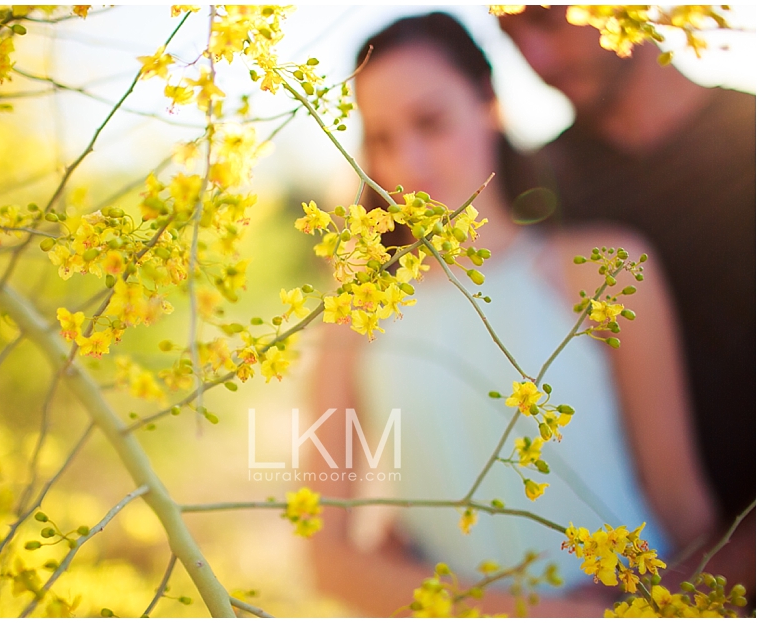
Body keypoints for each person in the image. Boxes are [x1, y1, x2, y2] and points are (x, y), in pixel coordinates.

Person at [307, 13, 719, 616]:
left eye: (431, 121)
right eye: (383, 139)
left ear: (489, 104)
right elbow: (327, 562)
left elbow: (683, 510)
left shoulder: (603, 269)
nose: (409, 165)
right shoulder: (353, 315)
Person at [498, 5, 755, 594]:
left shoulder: (752, 139)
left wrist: (723, 571)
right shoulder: (534, 185)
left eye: (545, 21)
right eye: (511, 37)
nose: (535, 59)